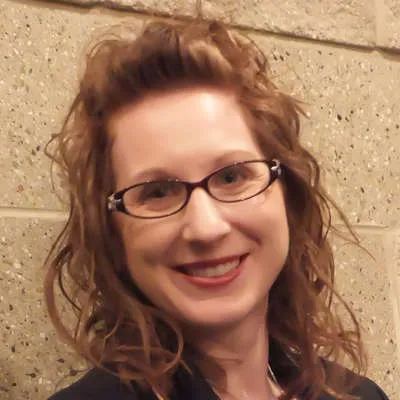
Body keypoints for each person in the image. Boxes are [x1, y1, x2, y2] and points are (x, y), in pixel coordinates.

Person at [44, 18, 390, 400]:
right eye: (157, 192)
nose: (206, 228)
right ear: (111, 231)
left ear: (286, 195)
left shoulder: (359, 395)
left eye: (231, 176)